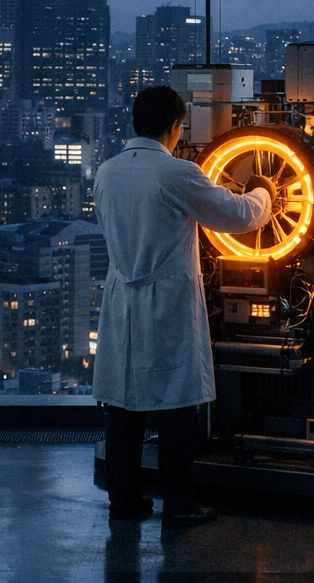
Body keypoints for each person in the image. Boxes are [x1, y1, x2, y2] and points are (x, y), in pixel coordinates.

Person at [93, 85, 275, 528]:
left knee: (123, 406)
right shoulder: (177, 173)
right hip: (167, 298)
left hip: (121, 295)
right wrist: (264, 192)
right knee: (176, 407)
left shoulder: (107, 172)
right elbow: (235, 216)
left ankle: (125, 501)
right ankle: (179, 505)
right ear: (176, 126)